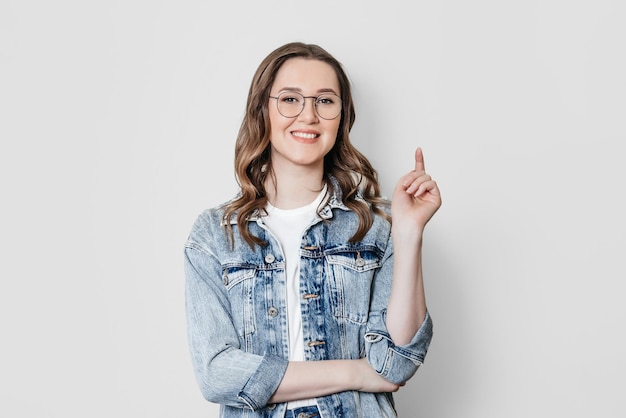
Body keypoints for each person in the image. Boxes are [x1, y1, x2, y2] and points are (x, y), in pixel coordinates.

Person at [184, 42, 441, 418]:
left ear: (342, 116)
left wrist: (408, 232)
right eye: (290, 99)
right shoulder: (214, 235)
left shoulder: (375, 229)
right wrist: (354, 371)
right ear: (263, 110)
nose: (308, 115)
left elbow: (395, 363)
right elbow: (217, 374)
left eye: (325, 101)